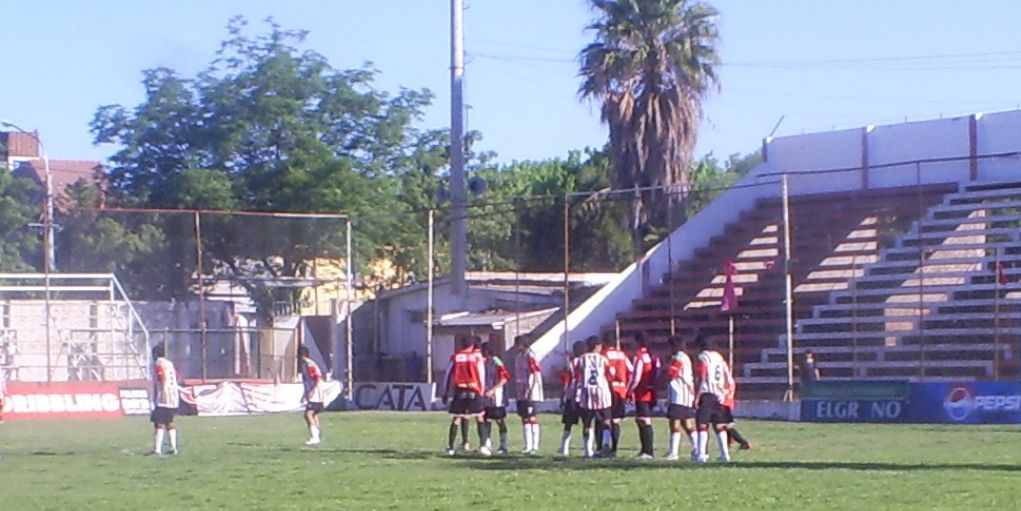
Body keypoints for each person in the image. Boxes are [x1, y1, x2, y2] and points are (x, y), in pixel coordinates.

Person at [690, 334, 734, 463]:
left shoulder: (703, 357)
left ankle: (701, 455)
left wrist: (697, 397)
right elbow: (727, 375)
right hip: (719, 394)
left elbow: (702, 377)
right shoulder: (719, 357)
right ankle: (725, 455)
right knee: (719, 426)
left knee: (702, 425)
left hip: (707, 393)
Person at [442, 335, 487, 456]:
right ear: (472, 345)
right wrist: (481, 391)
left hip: (459, 390)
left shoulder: (456, 357)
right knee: (480, 416)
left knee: (457, 417)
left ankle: (451, 448)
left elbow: (448, 374)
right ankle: (483, 446)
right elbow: (481, 374)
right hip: (474, 388)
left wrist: (445, 392)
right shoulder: (477, 357)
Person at [574, 336, 613, 458]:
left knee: (587, 423)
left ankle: (588, 451)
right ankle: (606, 444)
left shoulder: (581, 359)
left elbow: (578, 377)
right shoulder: (604, 359)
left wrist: (577, 395)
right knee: (606, 419)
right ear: (596, 346)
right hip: (602, 392)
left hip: (587, 393)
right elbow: (611, 374)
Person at [663, 335, 697, 461]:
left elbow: (671, 373)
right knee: (687, 423)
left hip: (678, 395)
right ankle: (697, 448)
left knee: (675, 423)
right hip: (687, 394)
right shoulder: (686, 357)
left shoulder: (678, 358)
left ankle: (674, 452)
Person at [628, 331, 660, 459]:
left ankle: (648, 451)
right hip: (651, 390)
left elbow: (636, 376)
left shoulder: (639, 356)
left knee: (644, 420)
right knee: (642, 419)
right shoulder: (654, 356)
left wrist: (630, 390)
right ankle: (645, 450)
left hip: (642, 392)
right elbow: (657, 373)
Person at [602, 335, 632, 457]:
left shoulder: (604, 355)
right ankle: (614, 449)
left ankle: (605, 445)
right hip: (621, 390)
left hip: (608, 389)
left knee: (605, 418)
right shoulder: (622, 354)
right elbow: (631, 370)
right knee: (616, 420)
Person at [513, 336, 543, 455]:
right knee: (524, 417)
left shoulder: (530, 356)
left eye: (517, 344)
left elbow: (535, 373)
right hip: (521, 390)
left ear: (522, 344)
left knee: (532, 417)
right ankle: (528, 446)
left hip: (530, 391)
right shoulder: (518, 357)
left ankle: (535, 446)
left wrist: (530, 389)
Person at [558, 341, 588, 456]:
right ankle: (587, 450)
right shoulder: (588, 361)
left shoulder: (572, 363)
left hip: (572, 396)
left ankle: (564, 448)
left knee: (568, 423)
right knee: (587, 423)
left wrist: (563, 397)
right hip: (584, 396)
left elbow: (567, 382)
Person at [480, 342, 510, 455]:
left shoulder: (497, 362)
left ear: (487, 351)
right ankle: (487, 444)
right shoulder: (485, 362)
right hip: (487, 395)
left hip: (497, 397)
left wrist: (493, 389)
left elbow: (504, 379)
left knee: (499, 420)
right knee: (486, 419)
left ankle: (503, 445)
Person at [150, 343, 180, 456]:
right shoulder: (170, 363)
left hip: (164, 396)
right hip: (173, 396)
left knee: (159, 422)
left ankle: (157, 450)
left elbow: (161, 376)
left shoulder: (158, 363)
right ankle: (173, 448)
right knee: (169, 422)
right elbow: (176, 375)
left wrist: (161, 390)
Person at [298, 345, 325, 446]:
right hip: (317, 393)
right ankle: (317, 436)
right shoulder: (308, 365)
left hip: (316, 394)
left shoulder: (309, 365)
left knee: (308, 414)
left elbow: (317, 378)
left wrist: (312, 391)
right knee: (313, 414)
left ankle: (315, 437)